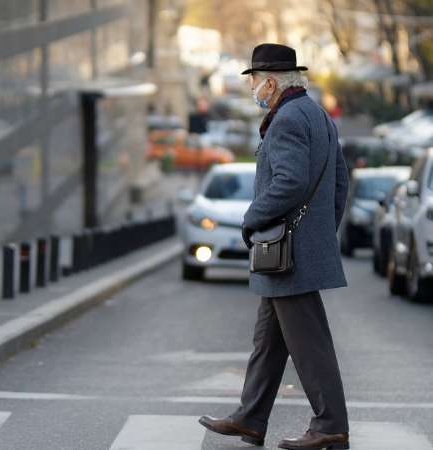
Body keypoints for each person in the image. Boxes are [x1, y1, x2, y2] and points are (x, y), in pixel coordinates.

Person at [198, 43, 350, 450]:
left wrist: (252, 218)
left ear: (271, 81)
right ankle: (250, 417)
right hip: (299, 250)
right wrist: (321, 233)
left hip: (287, 253)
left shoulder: (285, 120)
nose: (254, 89)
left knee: (310, 345)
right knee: (269, 341)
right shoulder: (317, 115)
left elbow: (289, 182)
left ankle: (330, 426)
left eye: (254, 81)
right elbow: (340, 181)